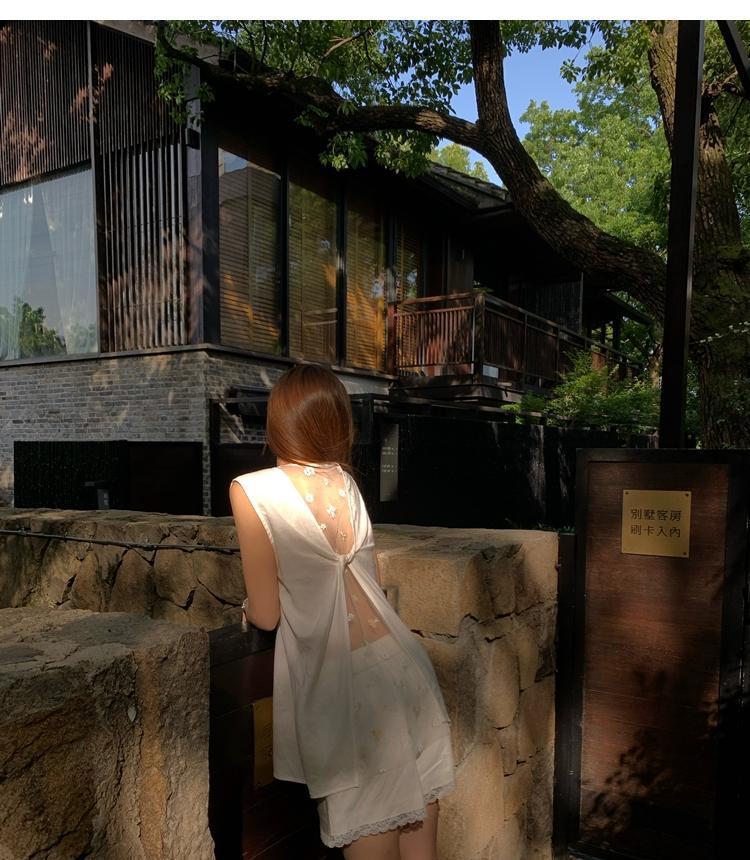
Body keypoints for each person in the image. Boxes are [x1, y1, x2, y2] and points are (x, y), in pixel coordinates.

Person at [229, 364, 456, 860]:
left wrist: (246, 606)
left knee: (368, 828)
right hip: (401, 666)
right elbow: (367, 581)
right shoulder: (346, 484)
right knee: (419, 832)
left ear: (279, 420)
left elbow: (266, 615)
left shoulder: (251, 490)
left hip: (346, 693)